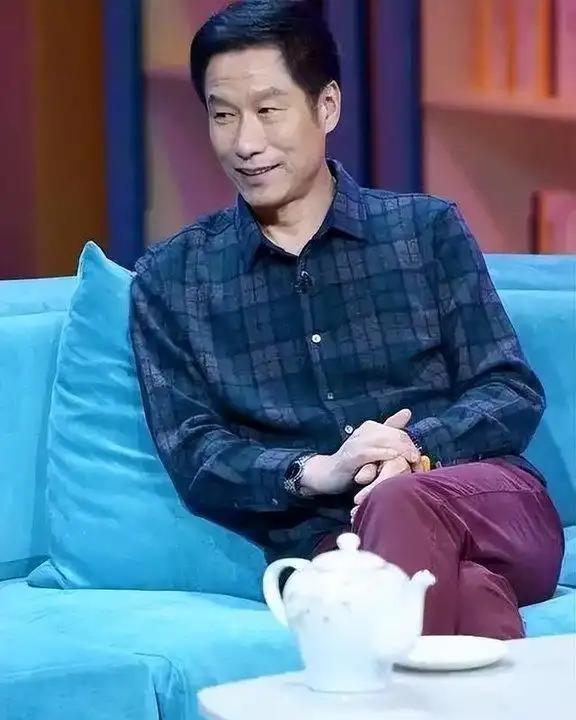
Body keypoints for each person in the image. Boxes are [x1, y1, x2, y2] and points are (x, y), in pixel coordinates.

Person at [130, 0, 563, 639]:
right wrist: (319, 470)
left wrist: (413, 451)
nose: (245, 143)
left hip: (484, 502)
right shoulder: (173, 279)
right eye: (223, 115)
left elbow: (509, 390)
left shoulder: (425, 230)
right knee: (469, 596)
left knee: (399, 506)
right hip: (332, 546)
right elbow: (195, 453)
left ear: (327, 106)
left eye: (268, 111)